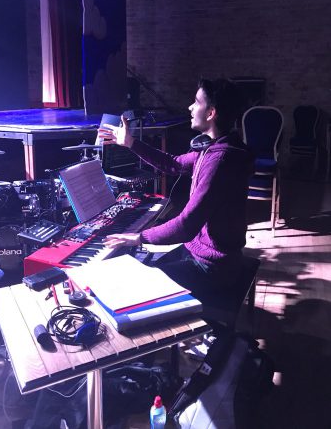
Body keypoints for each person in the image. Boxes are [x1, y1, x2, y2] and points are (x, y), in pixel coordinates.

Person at [98, 78, 254, 308]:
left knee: (134, 287)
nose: (190, 107)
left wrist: (138, 237)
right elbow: (172, 164)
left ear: (211, 112)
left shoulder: (220, 160)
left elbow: (186, 225)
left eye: (196, 102)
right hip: (197, 251)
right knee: (139, 266)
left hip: (212, 267)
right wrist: (132, 143)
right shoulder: (212, 149)